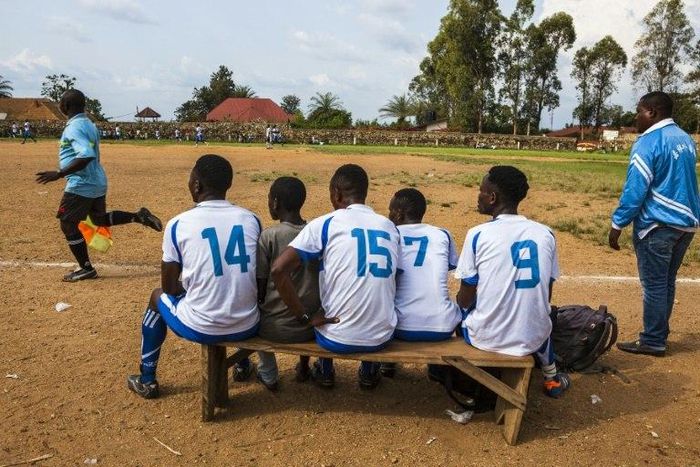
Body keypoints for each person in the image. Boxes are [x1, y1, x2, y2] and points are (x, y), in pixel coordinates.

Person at [127, 154, 262, 399]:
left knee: (157, 297)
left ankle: (147, 379)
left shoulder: (179, 223)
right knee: (235, 284)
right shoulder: (251, 219)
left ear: (197, 185)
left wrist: (192, 284)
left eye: (191, 180)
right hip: (248, 324)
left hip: (202, 326)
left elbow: (168, 287)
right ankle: (241, 365)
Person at [271, 164, 399, 389]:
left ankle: (325, 369)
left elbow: (279, 269)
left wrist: (303, 317)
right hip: (382, 336)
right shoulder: (389, 226)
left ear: (337, 193)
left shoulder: (327, 222)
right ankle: (369, 371)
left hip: (338, 338)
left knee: (326, 285)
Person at [454, 165, 570, 398]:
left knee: (459, 314)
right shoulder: (545, 232)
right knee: (542, 316)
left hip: (487, 338)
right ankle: (552, 379)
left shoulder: (478, 233)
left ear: (493, 198)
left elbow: (466, 293)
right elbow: (546, 293)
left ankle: (476, 375)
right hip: (533, 336)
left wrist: (461, 311)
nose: (479, 197)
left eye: (481, 192)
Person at [35, 89, 163, 282]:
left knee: (68, 224)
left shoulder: (74, 128)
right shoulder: (88, 124)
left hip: (81, 184)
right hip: (96, 180)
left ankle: (86, 268)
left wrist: (59, 173)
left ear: (66, 106)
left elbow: (86, 154)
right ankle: (138, 217)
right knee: (98, 219)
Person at [609, 91, 699, 357]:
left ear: (652, 112)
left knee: (655, 286)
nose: (636, 117)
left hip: (657, 225)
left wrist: (618, 223)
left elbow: (635, 189)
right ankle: (658, 335)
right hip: (686, 224)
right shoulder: (684, 139)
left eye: (639, 111)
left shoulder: (648, 142)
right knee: (667, 282)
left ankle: (653, 340)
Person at [233, 177, 320, 390]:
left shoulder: (269, 236)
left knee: (250, 313)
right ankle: (303, 366)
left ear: (275, 203)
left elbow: (260, 286)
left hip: (273, 329)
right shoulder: (314, 234)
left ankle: (269, 374)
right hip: (309, 328)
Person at [380, 188, 461, 378]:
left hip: (399, 327)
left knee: (384, 294)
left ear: (398, 213)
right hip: (442, 327)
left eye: (390, 210)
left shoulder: (389, 235)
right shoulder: (443, 234)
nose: (389, 214)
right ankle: (437, 369)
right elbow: (444, 268)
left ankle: (387, 364)